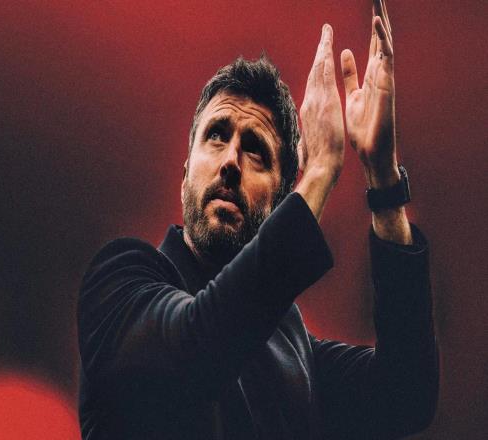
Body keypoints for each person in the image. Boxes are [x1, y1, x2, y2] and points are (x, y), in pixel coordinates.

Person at [77, 1, 439, 439]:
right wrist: (321, 169)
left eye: (256, 151)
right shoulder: (119, 283)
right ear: (185, 173)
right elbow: (196, 350)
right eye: (216, 135)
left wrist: (383, 179)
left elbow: (406, 394)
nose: (231, 161)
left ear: (283, 200)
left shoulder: (292, 344)